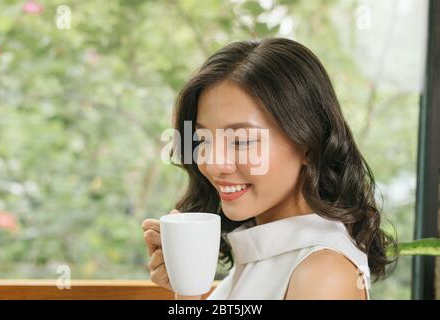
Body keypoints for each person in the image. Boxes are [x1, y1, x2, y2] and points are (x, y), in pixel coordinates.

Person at [142, 38, 398, 300]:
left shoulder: (322, 275)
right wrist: (188, 289)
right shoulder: (266, 252)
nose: (213, 163)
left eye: (241, 141)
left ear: (308, 145)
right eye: (203, 139)